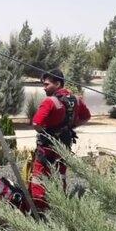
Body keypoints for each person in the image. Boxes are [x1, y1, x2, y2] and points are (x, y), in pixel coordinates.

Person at [29, 68, 91, 210]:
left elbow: (36, 123)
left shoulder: (50, 102)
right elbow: (86, 116)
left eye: (46, 84)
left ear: (57, 84)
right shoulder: (76, 99)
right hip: (64, 146)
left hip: (47, 148)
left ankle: (40, 209)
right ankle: (59, 207)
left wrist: (45, 132)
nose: (44, 88)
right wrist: (72, 126)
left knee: (39, 179)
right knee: (60, 175)